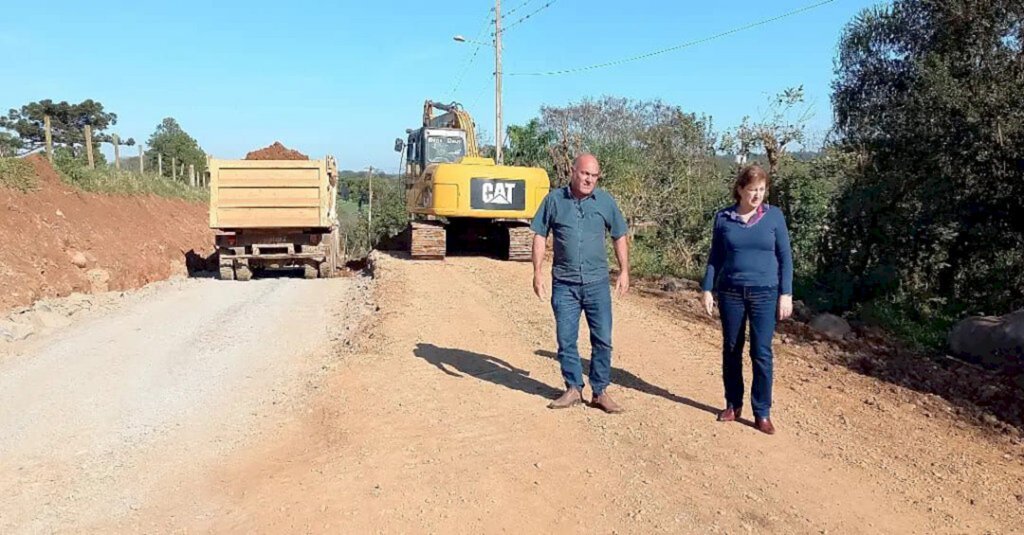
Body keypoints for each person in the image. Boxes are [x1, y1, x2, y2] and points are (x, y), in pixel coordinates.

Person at [530, 153, 630, 413]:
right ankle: (573, 387)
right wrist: (537, 272)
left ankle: (600, 392)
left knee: (603, 339)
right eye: (584, 173)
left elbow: (619, 235)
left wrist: (624, 271)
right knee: (566, 339)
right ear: (573, 172)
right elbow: (540, 235)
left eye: (593, 175)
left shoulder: (605, 202)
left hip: (597, 283)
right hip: (564, 284)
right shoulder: (554, 200)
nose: (588, 179)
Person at [701, 164, 793, 435]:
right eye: (752, 190)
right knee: (732, 348)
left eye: (762, 190)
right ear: (740, 189)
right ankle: (733, 404)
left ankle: (762, 412)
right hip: (731, 291)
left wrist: (786, 294)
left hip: (765, 292)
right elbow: (715, 257)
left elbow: (785, 257)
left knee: (761, 353)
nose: (757, 195)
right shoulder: (723, 218)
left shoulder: (774, 216)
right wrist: (707, 289)